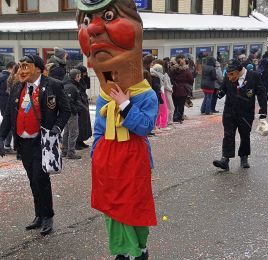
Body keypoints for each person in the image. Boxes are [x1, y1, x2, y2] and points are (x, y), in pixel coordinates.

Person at [76, 0, 158, 259]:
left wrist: (125, 104)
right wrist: (96, 151)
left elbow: (145, 128)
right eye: (86, 22)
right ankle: (122, 250)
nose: (92, 30)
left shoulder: (146, 94)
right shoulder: (103, 92)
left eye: (108, 16)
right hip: (107, 158)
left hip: (133, 158)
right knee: (111, 208)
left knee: (134, 206)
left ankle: (139, 247)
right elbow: (99, 128)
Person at [0, 54, 71, 235]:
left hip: (42, 141)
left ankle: (48, 216)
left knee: (40, 179)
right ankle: (39, 215)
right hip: (24, 142)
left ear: (37, 68)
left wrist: (57, 127)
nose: (21, 71)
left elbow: (65, 110)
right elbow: (8, 114)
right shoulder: (17, 87)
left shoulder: (52, 85)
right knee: (32, 180)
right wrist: (0, 137)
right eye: (20, 67)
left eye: (25, 66)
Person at [213, 59, 267, 171]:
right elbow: (223, 87)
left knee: (245, 135)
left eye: (232, 74)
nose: (229, 77)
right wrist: (220, 93)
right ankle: (225, 160)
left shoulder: (254, 76)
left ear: (239, 71)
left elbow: (261, 94)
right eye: (227, 74)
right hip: (229, 111)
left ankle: (244, 157)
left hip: (246, 113)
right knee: (228, 135)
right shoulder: (229, 77)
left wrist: (263, 111)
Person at [62, 69, 82, 159]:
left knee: (66, 132)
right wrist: (75, 109)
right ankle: (70, 152)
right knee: (73, 132)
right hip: (71, 113)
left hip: (66, 113)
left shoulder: (68, 85)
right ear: (75, 76)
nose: (80, 78)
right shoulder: (71, 87)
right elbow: (69, 100)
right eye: (79, 76)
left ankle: (65, 151)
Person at [0, 61, 16, 152]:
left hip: (2, 102)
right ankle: (7, 145)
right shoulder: (8, 77)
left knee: (6, 121)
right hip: (8, 102)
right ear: (11, 67)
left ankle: (6, 144)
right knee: (10, 122)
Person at [169, 54, 194, 123]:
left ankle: (174, 117)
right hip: (183, 90)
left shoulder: (172, 70)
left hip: (174, 89)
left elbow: (170, 78)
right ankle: (179, 118)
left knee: (175, 104)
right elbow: (191, 80)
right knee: (181, 105)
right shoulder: (186, 71)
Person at [74, 64, 92, 149]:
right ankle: (76, 141)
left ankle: (81, 140)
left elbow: (87, 86)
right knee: (79, 122)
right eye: (83, 73)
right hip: (79, 102)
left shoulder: (83, 79)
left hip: (84, 101)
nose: (84, 74)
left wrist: (86, 77)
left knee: (84, 122)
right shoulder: (75, 79)